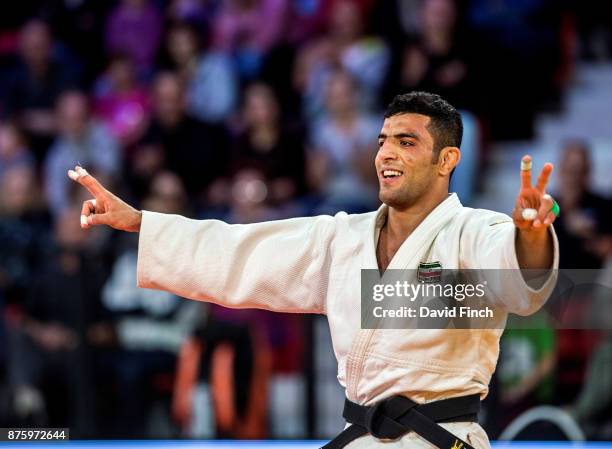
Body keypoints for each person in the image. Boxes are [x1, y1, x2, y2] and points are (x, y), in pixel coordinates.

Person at [68, 92, 560, 448]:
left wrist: (533, 235)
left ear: (446, 160)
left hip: (443, 438)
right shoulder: (342, 237)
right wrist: (140, 223)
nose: (386, 153)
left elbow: (517, 279)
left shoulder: (475, 231)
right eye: (383, 140)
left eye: (407, 142)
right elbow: (239, 249)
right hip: (363, 436)